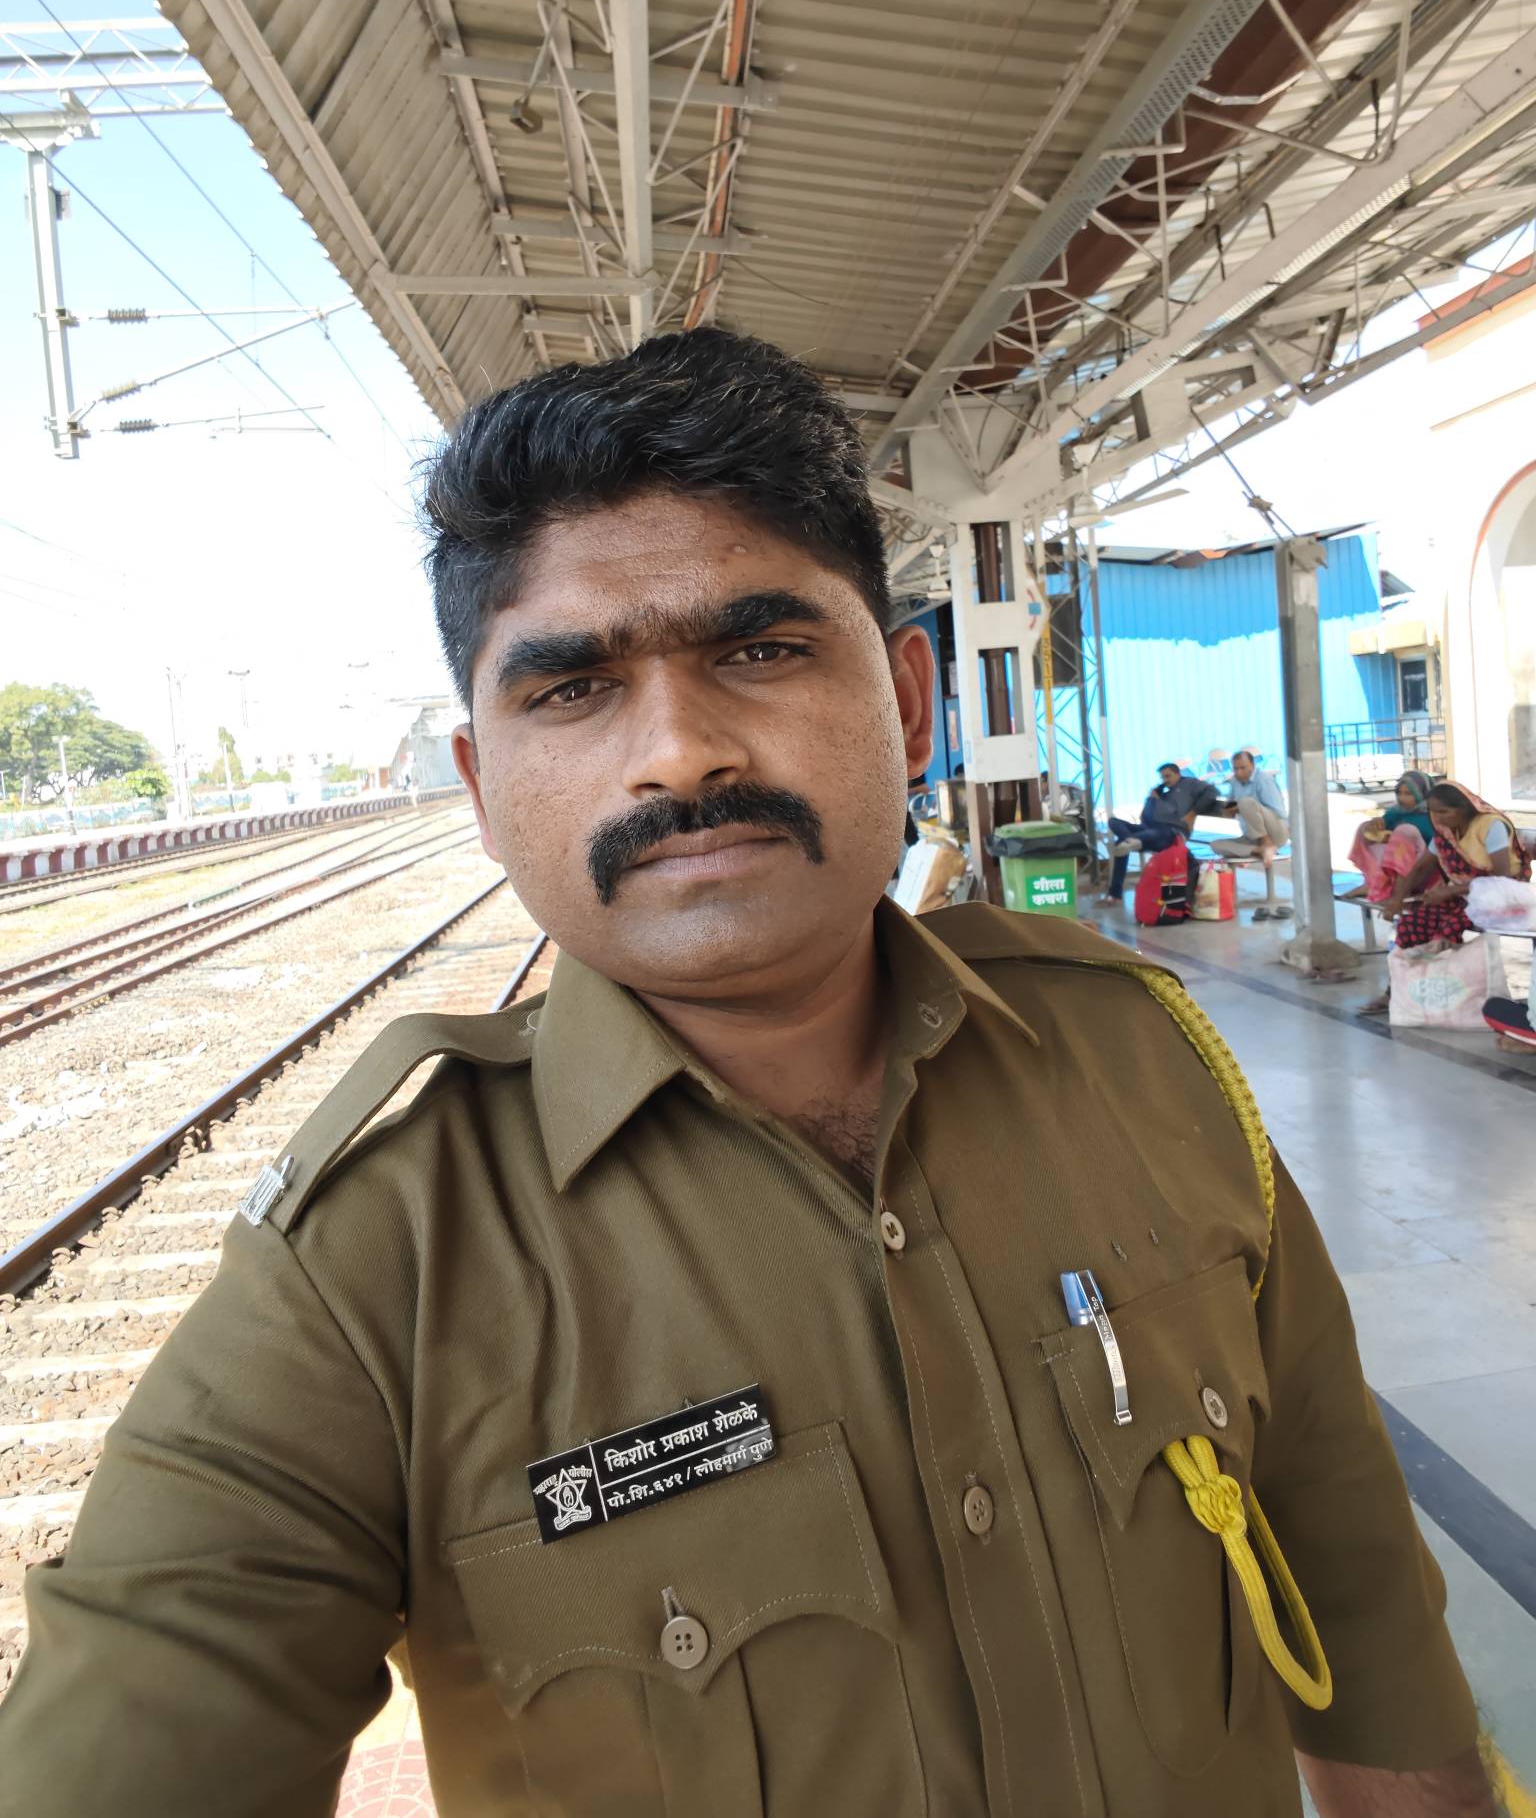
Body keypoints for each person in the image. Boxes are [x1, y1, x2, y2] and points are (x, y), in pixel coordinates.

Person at [0, 329, 1496, 1818]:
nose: (682, 753)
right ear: (482, 787)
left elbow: (1349, 1562)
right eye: (573, 691)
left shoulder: (1144, 1060)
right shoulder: (371, 1267)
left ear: (909, 704)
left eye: (761, 651)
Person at [1361, 779, 1532, 1015]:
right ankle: (1396, 992)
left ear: (1463, 809)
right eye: (1432, 811)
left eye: (1443, 812)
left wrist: (1450, 891)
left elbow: (1501, 878)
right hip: (1464, 895)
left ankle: (1448, 996)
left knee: (1448, 928)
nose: (1437, 818)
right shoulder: (1444, 832)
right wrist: (1397, 899)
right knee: (1411, 925)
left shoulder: (1490, 826)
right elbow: (1420, 867)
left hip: (1500, 898)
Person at [1100, 758, 1220, 904]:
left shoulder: (1189, 784)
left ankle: (1131, 841)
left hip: (1172, 833)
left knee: (1132, 841)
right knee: (1113, 822)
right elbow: (1145, 819)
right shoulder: (1164, 794)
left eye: (1168, 776)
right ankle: (1129, 842)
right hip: (1150, 831)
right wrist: (1151, 800)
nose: (1165, 780)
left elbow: (1212, 791)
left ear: (1178, 774)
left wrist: (1194, 812)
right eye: (1162, 777)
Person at [1342, 770, 1433, 905]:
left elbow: (1433, 846)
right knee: (1364, 828)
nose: (1402, 798)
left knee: (1404, 831)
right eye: (1399, 793)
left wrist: (1396, 838)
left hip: (1421, 868)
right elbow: (1383, 828)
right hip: (1396, 860)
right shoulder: (1396, 811)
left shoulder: (1433, 814)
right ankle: (1374, 883)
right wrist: (1375, 825)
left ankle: (1399, 891)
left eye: (1408, 794)